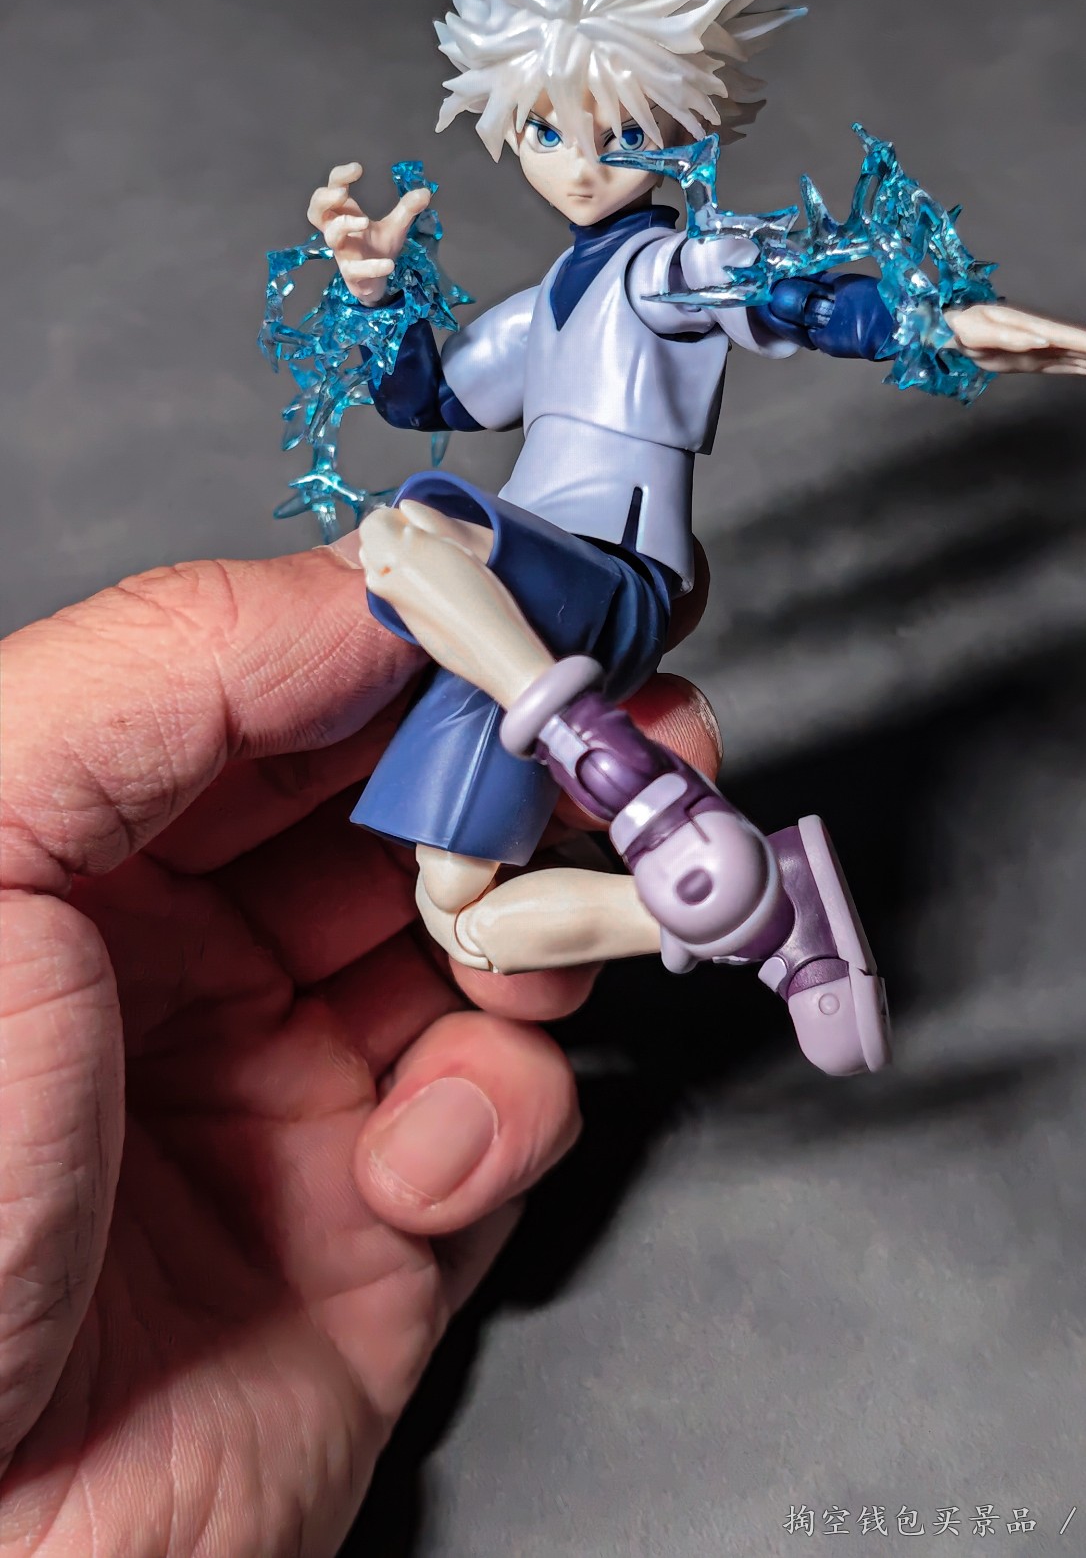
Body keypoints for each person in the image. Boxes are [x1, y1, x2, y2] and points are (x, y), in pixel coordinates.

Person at [305, 0, 1086, 991]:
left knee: (402, 534)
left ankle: (607, 763)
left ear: (681, 124)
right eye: (547, 132)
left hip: (603, 580)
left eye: (622, 133)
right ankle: (760, 916)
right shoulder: (539, 312)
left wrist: (938, 322)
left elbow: (793, 297)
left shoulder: (664, 267)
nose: (583, 167)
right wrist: (373, 298)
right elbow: (429, 402)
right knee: (459, 910)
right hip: (509, 619)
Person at [0, 536, 719, 1548]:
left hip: (509, 663)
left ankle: (706, 907)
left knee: (467, 917)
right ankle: (708, 906)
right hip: (513, 675)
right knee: (466, 921)